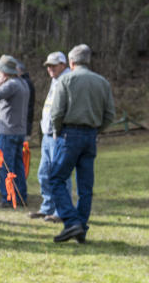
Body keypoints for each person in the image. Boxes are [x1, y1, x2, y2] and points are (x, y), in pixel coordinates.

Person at [48, 44, 115, 243]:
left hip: (70, 135)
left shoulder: (66, 79)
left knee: (56, 178)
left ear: (71, 62)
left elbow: (57, 112)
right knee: (85, 186)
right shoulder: (102, 82)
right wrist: (96, 129)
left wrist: (56, 131)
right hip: (90, 136)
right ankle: (81, 228)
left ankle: (71, 221)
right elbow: (110, 114)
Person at [31, 51, 71, 222]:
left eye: (54, 65)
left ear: (63, 64)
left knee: (60, 173)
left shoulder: (68, 80)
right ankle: (48, 207)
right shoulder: (55, 80)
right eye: (48, 66)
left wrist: (59, 129)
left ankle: (61, 211)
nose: (50, 68)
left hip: (59, 134)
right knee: (44, 172)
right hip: (48, 134)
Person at [0, 54, 30, 208]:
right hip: (19, 131)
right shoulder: (23, 83)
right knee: (17, 166)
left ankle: (8, 198)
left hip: (8, 131)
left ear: (4, 72)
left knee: (6, 166)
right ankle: (21, 195)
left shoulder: (10, 85)